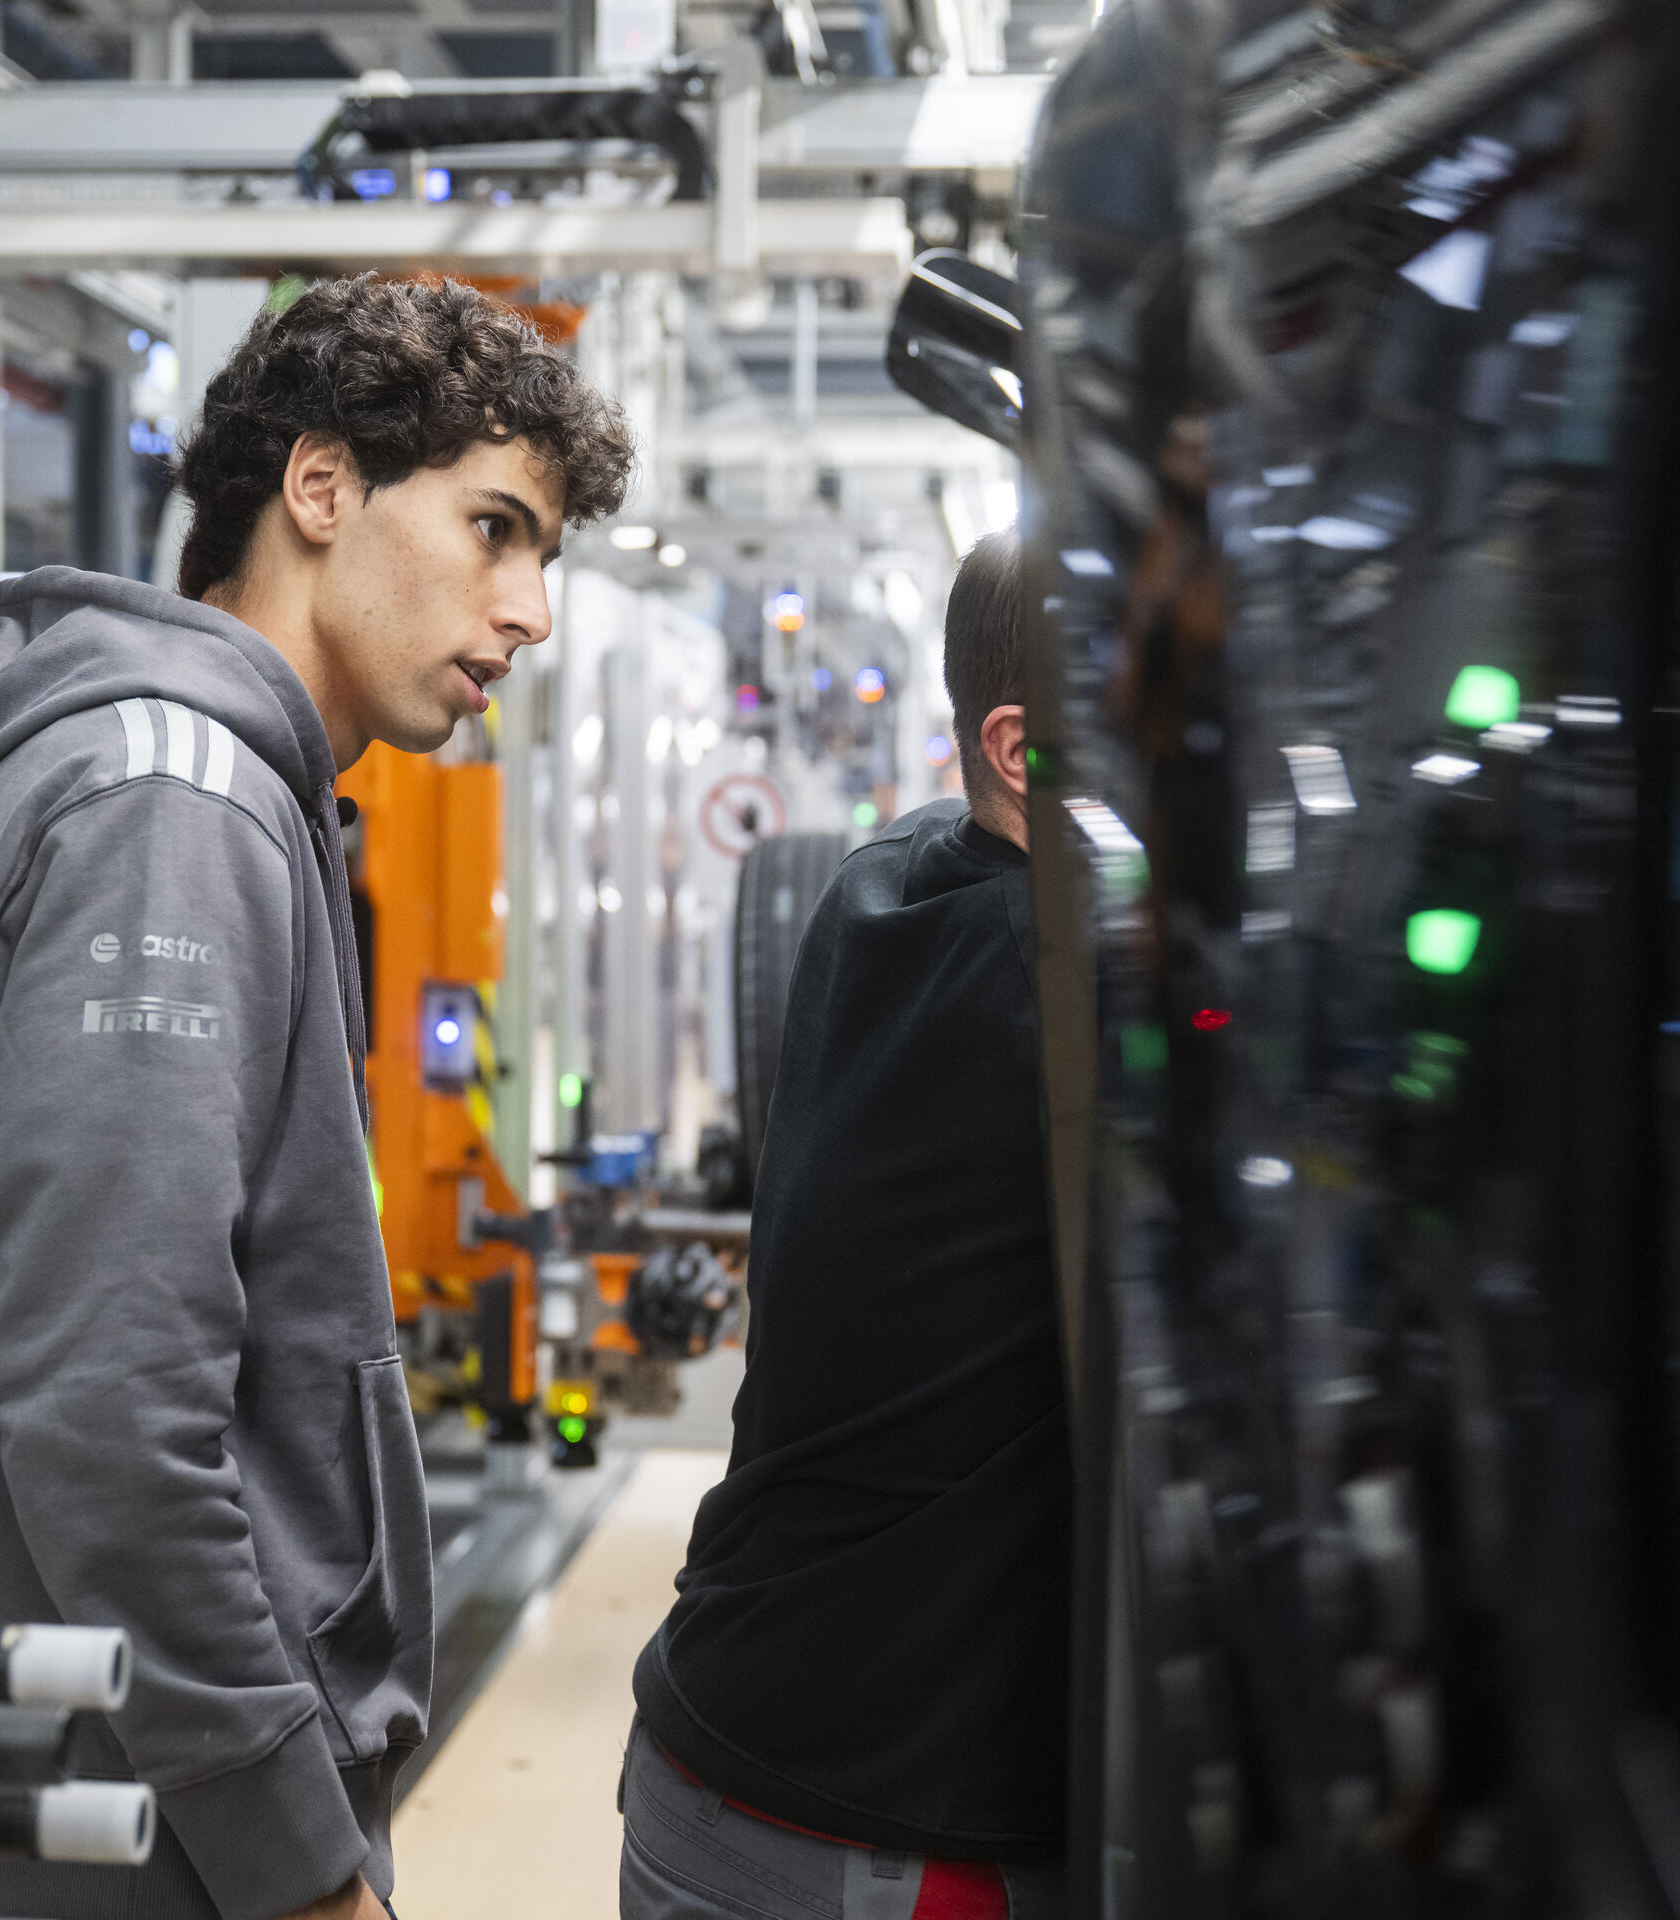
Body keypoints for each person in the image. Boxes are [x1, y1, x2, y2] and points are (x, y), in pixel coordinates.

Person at [0, 275, 633, 1920]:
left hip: (75, 1788)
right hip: (148, 1837)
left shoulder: (140, 780)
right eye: (494, 529)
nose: (529, 611)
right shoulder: (175, 805)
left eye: (545, 557)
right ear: (318, 487)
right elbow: (112, 1416)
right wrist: (302, 1865)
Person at [623, 530, 1067, 1920]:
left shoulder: (885, 885)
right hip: (863, 1843)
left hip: (722, 1753)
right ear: (1019, 748)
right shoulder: (1049, 988)